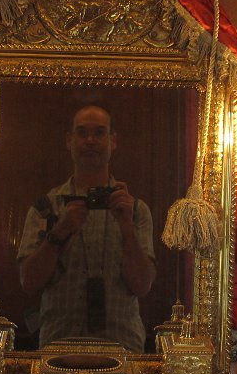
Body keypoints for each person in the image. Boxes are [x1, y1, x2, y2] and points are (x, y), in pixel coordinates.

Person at [17, 105, 156, 353]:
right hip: (58, 347)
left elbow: (142, 285)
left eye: (100, 133)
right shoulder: (46, 208)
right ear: (69, 141)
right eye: (82, 133)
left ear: (113, 141)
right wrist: (59, 233)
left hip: (122, 346)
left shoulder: (135, 210)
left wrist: (126, 227)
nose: (90, 140)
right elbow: (29, 282)